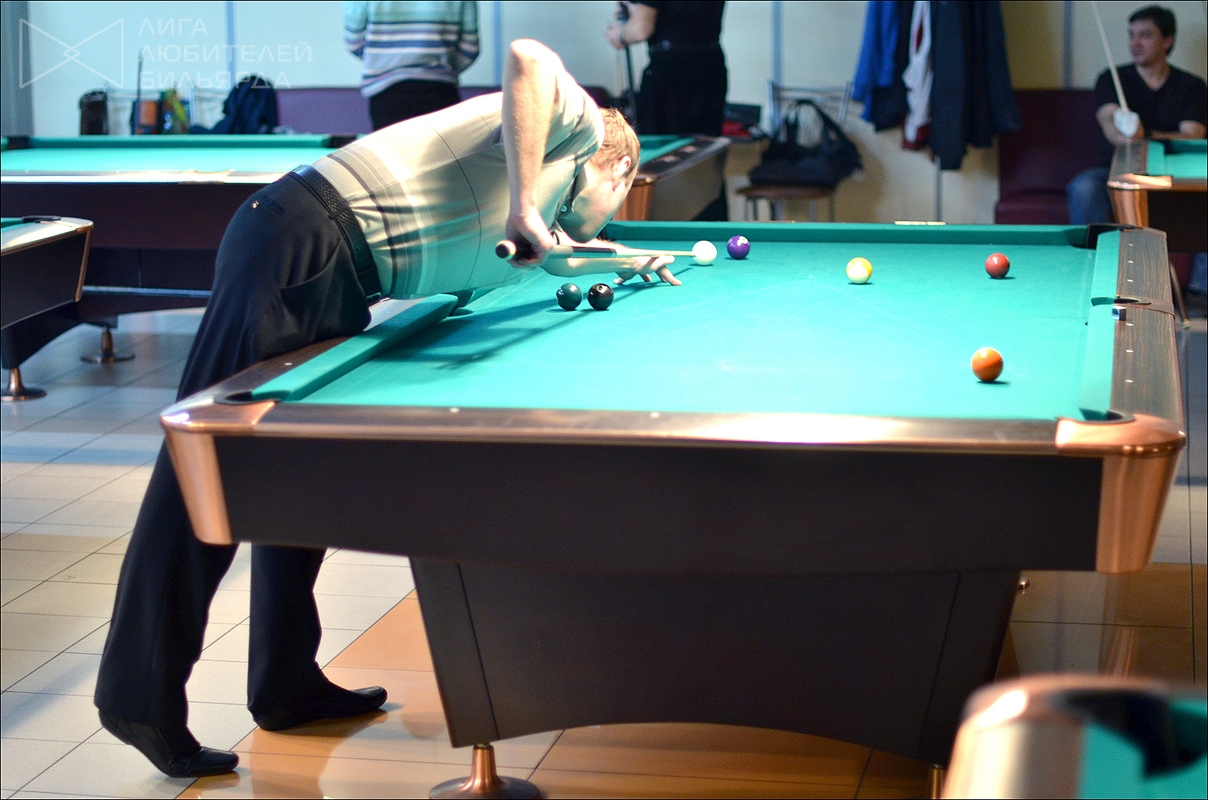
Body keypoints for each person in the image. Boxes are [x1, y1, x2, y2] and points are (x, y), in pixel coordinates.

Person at [94, 38, 677, 780]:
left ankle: (284, 681)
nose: (610, 217)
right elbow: (528, 57)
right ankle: (136, 696)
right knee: (203, 471)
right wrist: (527, 204)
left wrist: (625, 261)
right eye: (621, 200)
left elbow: (561, 250)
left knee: (292, 480)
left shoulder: (546, 202)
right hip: (298, 238)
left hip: (323, 258)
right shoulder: (582, 127)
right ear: (618, 167)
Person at [1067, 5, 1206, 225]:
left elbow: (1193, 136)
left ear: (1167, 41)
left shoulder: (1192, 86)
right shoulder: (1111, 78)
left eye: (1145, 35)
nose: (1135, 43)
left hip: (1173, 176)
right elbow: (1110, 125)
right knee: (1084, 187)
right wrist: (1124, 135)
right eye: (1132, 35)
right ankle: (1097, 248)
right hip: (1115, 174)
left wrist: (1144, 135)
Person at [604, 1, 728, 220]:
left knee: (663, 162)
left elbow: (641, 29)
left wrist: (621, 34)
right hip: (710, 67)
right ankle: (713, 227)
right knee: (705, 157)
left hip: (671, 73)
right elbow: (683, 15)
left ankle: (660, 229)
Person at [345, 1, 480, 130]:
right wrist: (443, 69)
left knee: (392, 146)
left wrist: (380, 60)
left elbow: (354, 42)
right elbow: (470, 48)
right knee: (443, 147)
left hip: (386, 94)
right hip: (441, 91)